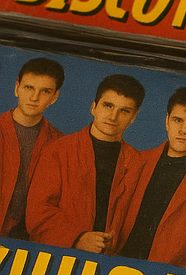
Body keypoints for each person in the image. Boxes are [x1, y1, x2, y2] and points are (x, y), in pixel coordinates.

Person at [26, 73, 144, 253]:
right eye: (108, 105)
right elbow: (37, 212)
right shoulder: (59, 150)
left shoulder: (137, 162)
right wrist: (77, 238)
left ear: (134, 117)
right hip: (57, 255)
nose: (113, 116)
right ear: (93, 107)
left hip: (111, 262)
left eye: (124, 111)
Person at [119, 87, 186, 270]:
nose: (183, 130)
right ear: (167, 121)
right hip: (115, 267)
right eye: (178, 120)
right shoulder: (139, 161)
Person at [0, 57, 64, 239]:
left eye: (45, 91)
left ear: (54, 97)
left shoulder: (60, 145)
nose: (34, 98)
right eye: (29, 88)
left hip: (27, 242)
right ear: (17, 88)